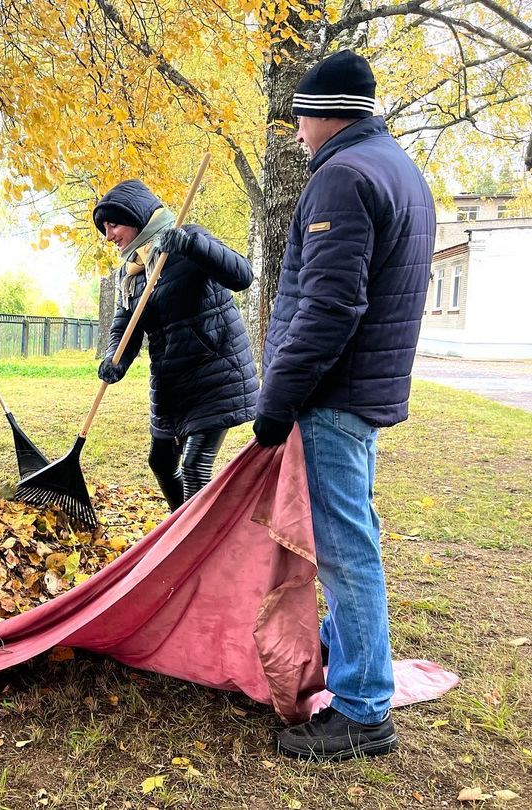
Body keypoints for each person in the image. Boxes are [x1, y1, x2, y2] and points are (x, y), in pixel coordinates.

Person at [252, 50, 435, 761]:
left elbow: (327, 307)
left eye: (299, 119)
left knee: (345, 548)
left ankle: (362, 708)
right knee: (354, 534)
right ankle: (342, 653)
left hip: (334, 392)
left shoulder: (343, 178)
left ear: (322, 112)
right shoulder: (396, 168)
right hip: (364, 389)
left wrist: (278, 399)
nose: (296, 134)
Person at [93, 179, 258, 510]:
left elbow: (242, 275)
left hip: (215, 374)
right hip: (171, 383)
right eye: (105, 228)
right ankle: (178, 531)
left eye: (113, 224)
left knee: (194, 467)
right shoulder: (133, 271)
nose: (109, 236)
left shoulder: (187, 239)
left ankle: (196, 550)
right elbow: (126, 324)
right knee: (161, 462)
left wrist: (190, 244)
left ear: (136, 216)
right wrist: (115, 359)